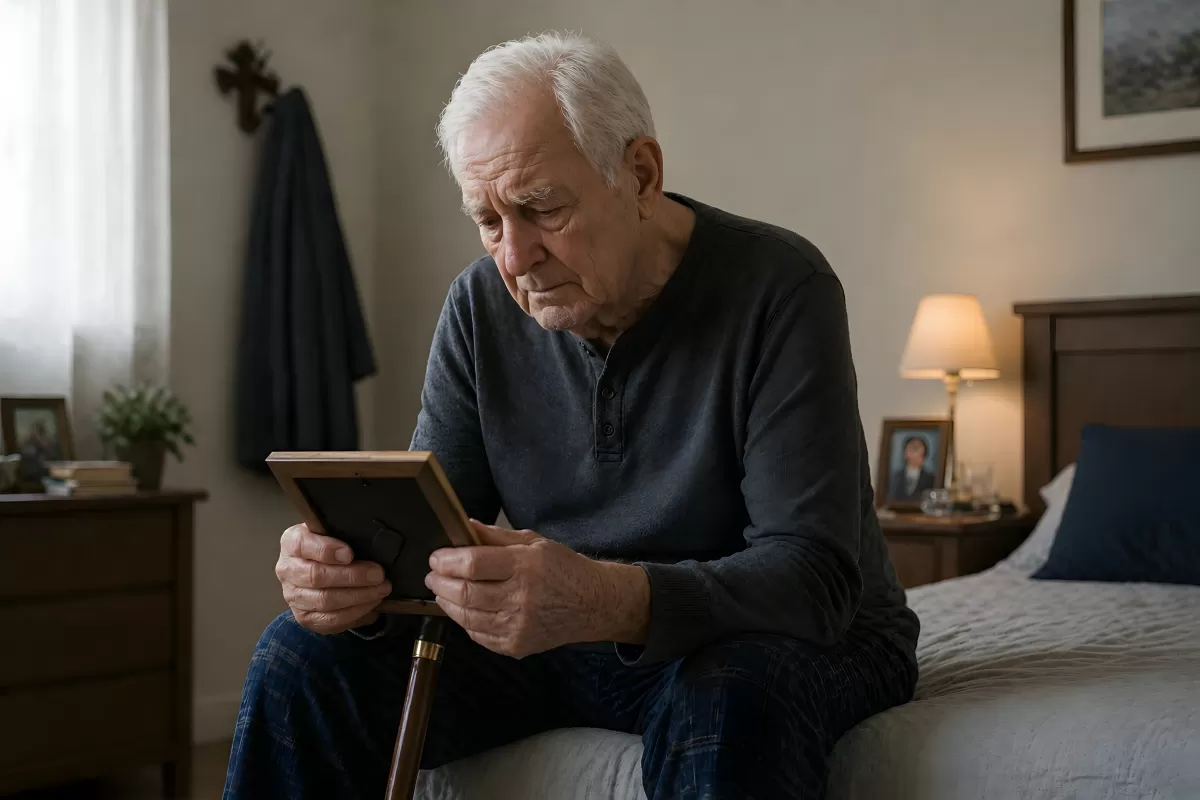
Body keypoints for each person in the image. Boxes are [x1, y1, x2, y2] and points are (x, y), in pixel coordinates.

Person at [225, 32, 919, 800]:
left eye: (541, 209)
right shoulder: (479, 307)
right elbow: (431, 541)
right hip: (557, 638)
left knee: (731, 693)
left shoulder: (781, 289)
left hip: (781, 637)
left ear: (642, 174)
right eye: (488, 221)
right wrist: (344, 578)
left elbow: (811, 580)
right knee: (301, 657)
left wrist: (604, 596)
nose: (514, 257)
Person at [887, 435, 937, 502]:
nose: (918, 452)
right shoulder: (895, 477)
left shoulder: (931, 478)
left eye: (918, 449)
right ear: (905, 453)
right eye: (914, 448)